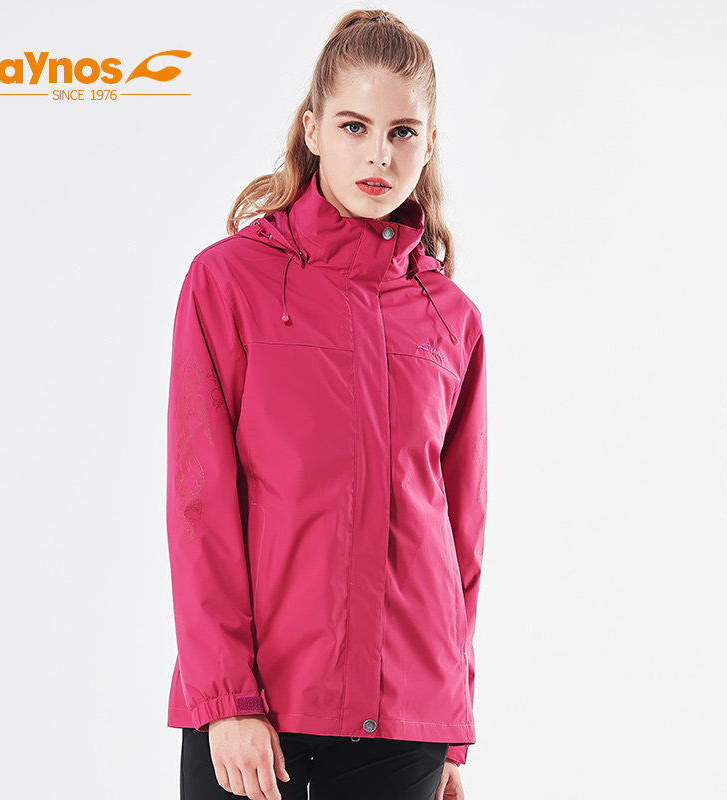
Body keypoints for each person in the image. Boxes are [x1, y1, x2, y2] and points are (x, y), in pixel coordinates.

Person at [165, 9, 488, 800]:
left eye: (403, 132)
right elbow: (200, 505)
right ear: (312, 129)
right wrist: (226, 699)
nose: (380, 154)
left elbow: (460, 535)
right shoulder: (229, 283)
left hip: (406, 724)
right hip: (260, 711)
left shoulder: (452, 318)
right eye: (354, 126)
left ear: (430, 143)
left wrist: (451, 727)